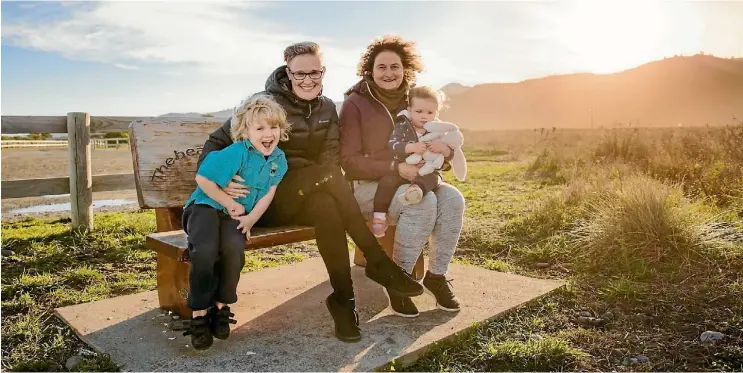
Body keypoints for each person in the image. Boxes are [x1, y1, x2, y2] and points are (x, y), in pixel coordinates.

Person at [197, 41, 424, 343]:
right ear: (287, 73)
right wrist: (221, 183)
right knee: (327, 177)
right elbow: (215, 143)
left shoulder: (328, 107)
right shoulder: (263, 104)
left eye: (314, 73)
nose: (307, 80)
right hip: (264, 200)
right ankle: (377, 261)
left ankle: (344, 301)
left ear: (323, 71)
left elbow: (330, 157)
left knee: (327, 207)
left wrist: (323, 179)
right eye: (299, 74)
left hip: (308, 193)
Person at [340, 35, 466, 318]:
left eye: (394, 66)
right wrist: (395, 169)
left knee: (453, 199)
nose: (388, 73)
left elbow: (437, 138)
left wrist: (444, 155)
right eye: (381, 67)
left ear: (405, 68)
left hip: (415, 179)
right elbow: (348, 162)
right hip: (368, 187)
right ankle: (399, 281)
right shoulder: (355, 103)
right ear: (369, 70)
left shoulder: (415, 100)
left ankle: (437, 276)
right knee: (421, 203)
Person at [182, 93, 290, 350]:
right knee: (206, 250)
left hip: (237, 216)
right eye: (260, 128)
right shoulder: (235, 152)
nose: (268, 134)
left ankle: (220, 307)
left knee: (234, 248)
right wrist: (229, 203)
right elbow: (203, 180)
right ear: (245, 131)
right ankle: (199, 314)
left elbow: (268, 194)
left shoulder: (279, 160)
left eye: (273, 127)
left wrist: (251, 219)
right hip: (205, 207)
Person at [370, 85, 448, 238]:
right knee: (386, 182)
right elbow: (392, 145)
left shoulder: (438, 130)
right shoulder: (403, 126)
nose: (424, 116)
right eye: (419, 112)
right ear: (410, 109)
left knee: (435, 178)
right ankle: (379, 217)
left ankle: (416, 189)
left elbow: (450, 153)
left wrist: (443, 149)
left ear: (436, 113)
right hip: (403, 169)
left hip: (426, 170)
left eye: (430, 112)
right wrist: (410, 147)